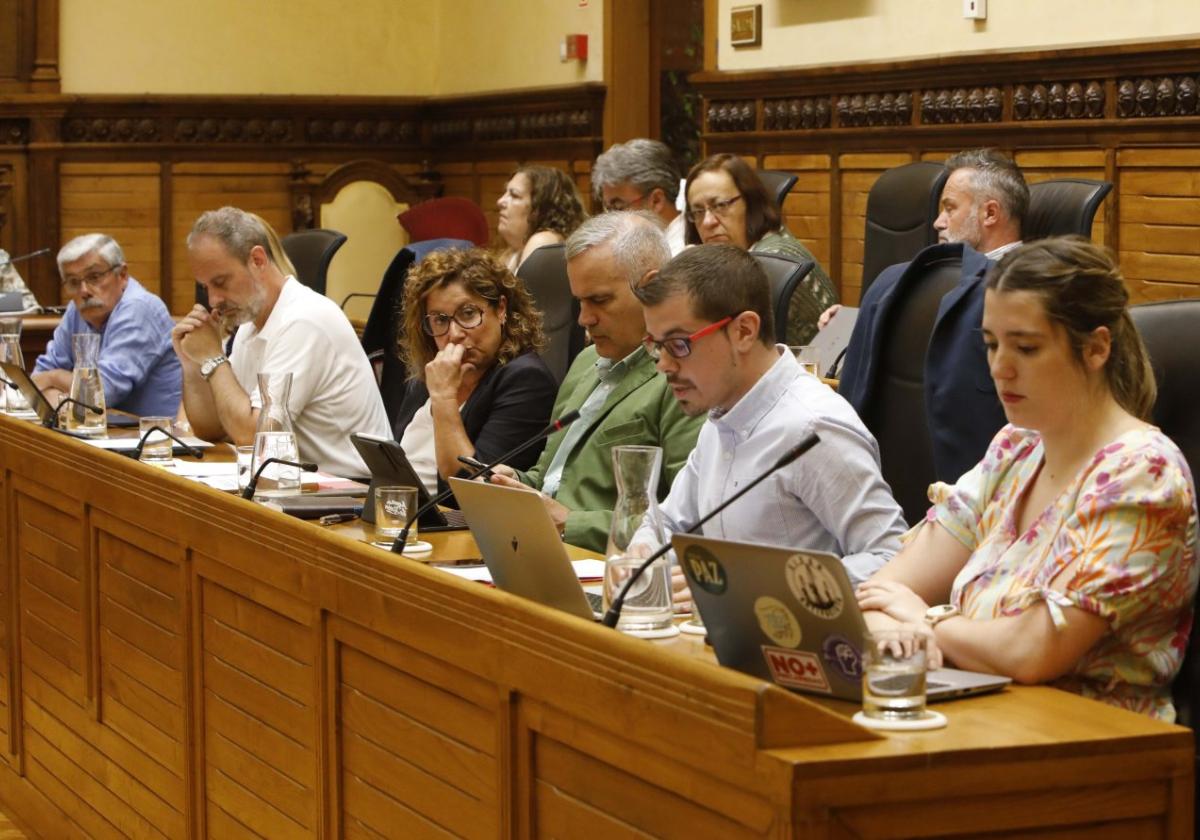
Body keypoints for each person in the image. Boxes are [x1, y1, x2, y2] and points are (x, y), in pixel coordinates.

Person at [857, 237, 1198, 721]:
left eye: (1026, 347)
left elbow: (1032, 651)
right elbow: (883, 589)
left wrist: (922, 620)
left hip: (1089, 741)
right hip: (982, 716)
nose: (1000, 367)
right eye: (991, 345)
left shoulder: (1143, 474)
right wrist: (892, 623)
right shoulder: (1015, 447)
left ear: (1097, 347)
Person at [633, 244, 906, 600]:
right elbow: (667, 522)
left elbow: (892, 560)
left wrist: (762, 586)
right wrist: (640, 554)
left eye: (679, 345)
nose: (663, 365)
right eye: (656, 346)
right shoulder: (723, 412)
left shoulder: (813, 428)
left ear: (744, 331)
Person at [489, 212, 704, 553]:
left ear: (651, 287)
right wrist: (515, 484)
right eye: (579, 301)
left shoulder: (684, 377)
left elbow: (690, 520)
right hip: (537, 549)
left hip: (609, 565)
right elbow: (549, 477)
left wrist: (569, 523)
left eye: (599, 300)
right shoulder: (586, 362)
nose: (583, 319)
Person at [837, 148, 1028, 482]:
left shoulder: (1028, 294)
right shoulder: (910, 283)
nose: (938, 222)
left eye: (950, 207)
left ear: (990, 213)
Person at [173, 206, 390, 477]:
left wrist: (214, 359)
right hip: (300, 483)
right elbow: (213, 428)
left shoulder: (304, 319)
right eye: (206, 287)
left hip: (353, 491)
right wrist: (192, 363)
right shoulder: (249, 323)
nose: (214, 300)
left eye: (221, 282)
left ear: (258, 260)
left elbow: (255, 439)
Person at [392, 247, 558, 499]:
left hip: (458, 530)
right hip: (401, 515)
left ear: (500, 309)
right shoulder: (432, 372)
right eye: (440, 319)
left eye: (468, 314)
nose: (455, 333)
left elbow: (471, 492)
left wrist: (445, 398)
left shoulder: (525, 380)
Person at [683, 153, 837, 345]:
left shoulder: (772, 259)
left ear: (751, 203)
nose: (707, 222)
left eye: (720, 205)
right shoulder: (738, 258)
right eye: (698, 211)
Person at [33, 234, 181, 417]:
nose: (84, 291)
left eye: (94, 277)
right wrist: (58, 394)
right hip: (103, 433)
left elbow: (102, 393)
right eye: (73, 282)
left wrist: (53, 378)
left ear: (122, 275)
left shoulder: (140, 308)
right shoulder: (76, 310)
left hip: (153, 439)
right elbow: (36, 381)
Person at [591, 139, 686, 255]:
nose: (610, 219)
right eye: (607, 208)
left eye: (618, 207)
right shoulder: (645, 243)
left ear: (656, 201)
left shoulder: (681, 253)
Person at [496, 165, 588, 273]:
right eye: (505, 193)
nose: (500, 201)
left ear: (539, 208)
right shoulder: (512, 252)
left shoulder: (543, 240)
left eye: (514, 195)